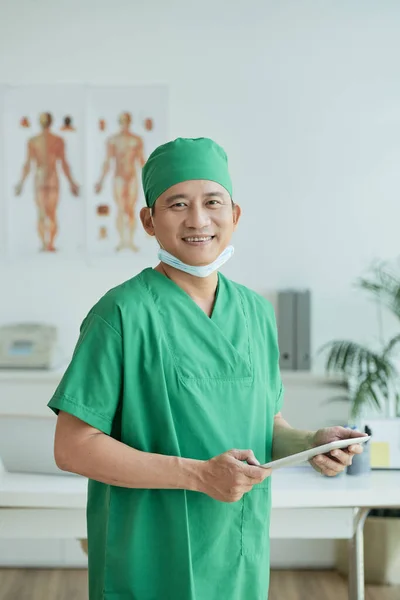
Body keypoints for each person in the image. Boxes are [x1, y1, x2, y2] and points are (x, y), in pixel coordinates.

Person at [48, 137, 366, 600]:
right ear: (148, 222)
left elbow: (266, 422)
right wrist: (198, 475)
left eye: (212, 202)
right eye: (177, 204)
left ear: (234, 215)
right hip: (148, 559)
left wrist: (311, 444)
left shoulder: (255, 313)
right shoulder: (120, 314)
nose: (198, 220)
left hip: (237, 552)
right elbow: (72, 448)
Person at [15, 112, 79, 252]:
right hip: (51, 178)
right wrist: (72, 183)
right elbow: (63, 164)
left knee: (43, 212)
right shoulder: (56, 140)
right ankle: (48, 243)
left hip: (41, 178)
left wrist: (21, 183)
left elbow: (28, 164)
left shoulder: (34, 140)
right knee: (50, 212)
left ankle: (46, 243)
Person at [94, 112, 146, 252]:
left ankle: (130, 241)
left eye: (126, 120)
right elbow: (107, 162)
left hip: (132, 177)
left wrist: (152, 179)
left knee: (130, 209)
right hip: (118, 177)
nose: (124, 123)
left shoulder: (136, 140)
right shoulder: (113, 140)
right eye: (122, 121)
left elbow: (142, 162)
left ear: (129, 122)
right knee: (121, 209)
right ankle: (123, 241)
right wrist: (100, 181)